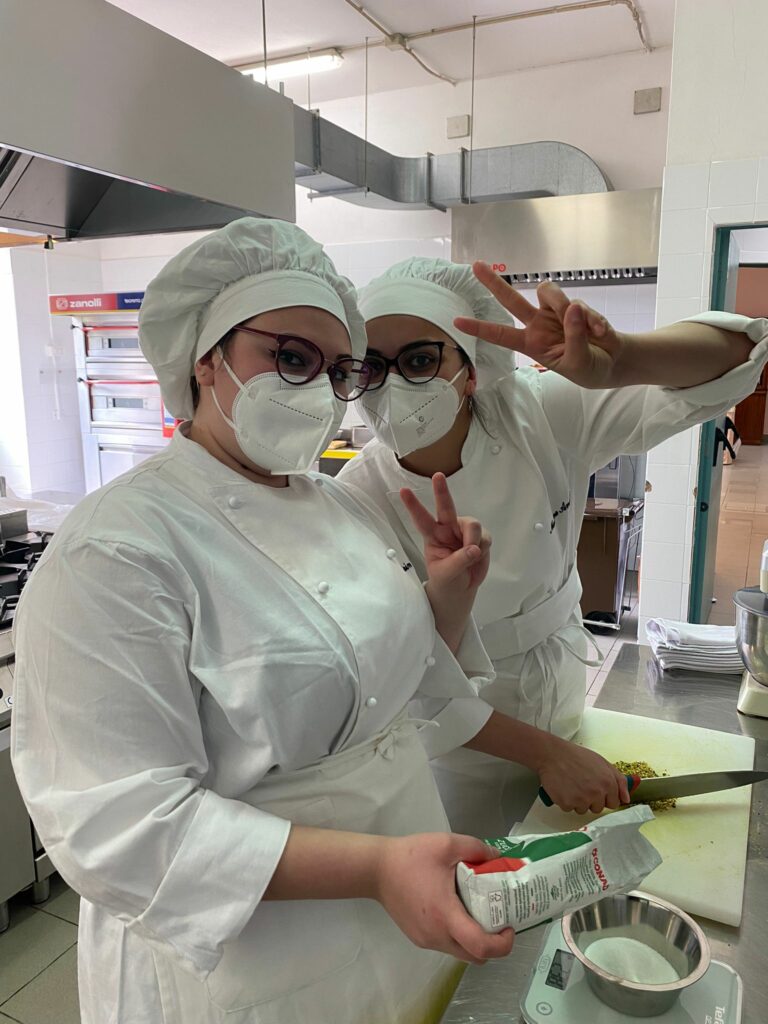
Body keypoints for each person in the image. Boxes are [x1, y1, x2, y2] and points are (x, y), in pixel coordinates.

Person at [10, 220, 517, 1024]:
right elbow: (122, 827)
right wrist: (375, 869)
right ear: (205, 360)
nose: (317, 390)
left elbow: (390, 699)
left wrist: (446, 600)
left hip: (400, 907)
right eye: (290, 357)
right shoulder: (116, 550)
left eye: (337, 370)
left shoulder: (333, 504)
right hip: (247, 958)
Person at [338, 256, 768, 835]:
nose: (394, 386)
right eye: (370, 367)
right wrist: (545, 755)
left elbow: (739, 357)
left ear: (472, 370)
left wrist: (624, 360)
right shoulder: (355, 498)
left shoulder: (536, 412)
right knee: (484, 871)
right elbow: (402, 686)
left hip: (562, 695)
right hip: (459, 749)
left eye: (420, 360)